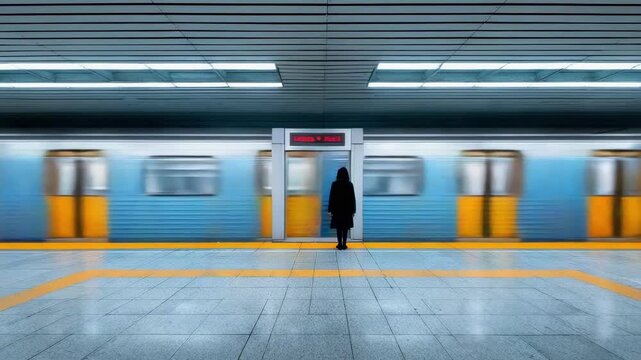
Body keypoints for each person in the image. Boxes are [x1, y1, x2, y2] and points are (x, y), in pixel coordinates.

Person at [328, 167, 356, 250]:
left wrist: (330, 210)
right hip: (347, 210)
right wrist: (353, 210)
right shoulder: (350, 184)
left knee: (339, 228)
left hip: (337, 210)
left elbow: (331, 197)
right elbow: (352, 198)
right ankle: (344, 244)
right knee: (345, 227)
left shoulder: (334, 184)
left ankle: (339, 244)